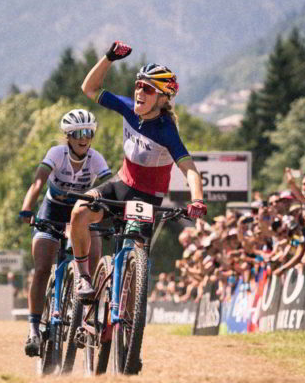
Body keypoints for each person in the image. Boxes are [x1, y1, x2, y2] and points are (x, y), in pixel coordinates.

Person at [71, 41, 207, 305]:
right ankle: (82, 275)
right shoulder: (127, 108)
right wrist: (109, 58)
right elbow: (89, 88)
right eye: (137, 85)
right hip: (121, 185)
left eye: (147, 88)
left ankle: (125, 320)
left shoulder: (166, 130)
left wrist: (198, 199)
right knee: (79, 211)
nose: (138, 92)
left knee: (136, 253)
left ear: (163, 98)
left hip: (146, 199)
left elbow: (190, 170)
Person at [18, 108, 113, 356]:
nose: (84, 138)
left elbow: (108, 185)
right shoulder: (56, 153)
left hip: (79, 214)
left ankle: (86, 318)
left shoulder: (96, 158)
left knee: (94, 254)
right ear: (68, 136)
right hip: (51, 212)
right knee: (40, 269)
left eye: (89, 133)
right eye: (78, 133)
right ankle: (33, 330)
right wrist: (28, 208)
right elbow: (38, 182)